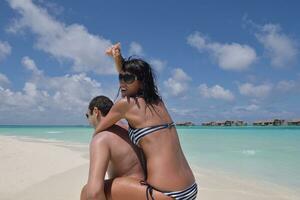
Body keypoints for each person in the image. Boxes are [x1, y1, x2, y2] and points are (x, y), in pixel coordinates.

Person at [92, 44, 198, 200]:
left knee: (91, 191)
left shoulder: (125, 104)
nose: (122, 83)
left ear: (141, 82)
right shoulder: (158, 102)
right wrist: (117, 57)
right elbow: (130, 74)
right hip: (190, 190)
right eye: (120, 78)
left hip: (166, 194)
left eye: (127, 79)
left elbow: (100, 128)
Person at [80, 95, 145, 200]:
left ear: (96, 112)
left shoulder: (102, 137)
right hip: (147, 188)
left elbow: (94, 193)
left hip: (131, 190)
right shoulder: (129, 128)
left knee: (87, 191)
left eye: (87, 115)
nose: (89, 122)